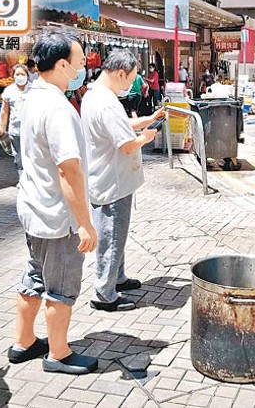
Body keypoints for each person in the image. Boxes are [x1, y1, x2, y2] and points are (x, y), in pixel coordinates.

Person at [9, 30, 99, 375]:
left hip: (33, 208)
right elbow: (69, 171)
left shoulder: (30, 96)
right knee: (61, 287)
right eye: (79, 62)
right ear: (62, 64)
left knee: (34, 275)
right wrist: (84, 224)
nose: (83, 67)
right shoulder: (58, 107)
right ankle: (58, 353)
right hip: (55, 215)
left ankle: (24, 341)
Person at [81, 49, 165, 312]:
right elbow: (127, 144)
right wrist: (147, 137)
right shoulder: (105, 102)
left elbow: (123, 127)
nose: (131, 85)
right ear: (120, 73)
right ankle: (104, 294)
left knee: (116, 234)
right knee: (112, 236)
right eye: (130, 80)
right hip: (111, 182)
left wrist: (149, 119)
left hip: (110, 179)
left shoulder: (96, 95)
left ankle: (117, 278)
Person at [0, 64, 31, 174]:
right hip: (15, 130)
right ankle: (22, 178)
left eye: (23, 74)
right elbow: (4, 110)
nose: (20, 76)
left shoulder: (34, 89)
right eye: (17, 74)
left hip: (31, 130)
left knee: (32, 156)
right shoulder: (9, 91)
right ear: (13, 76)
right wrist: (1, 126)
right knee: (18, 156)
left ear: (27, 75)